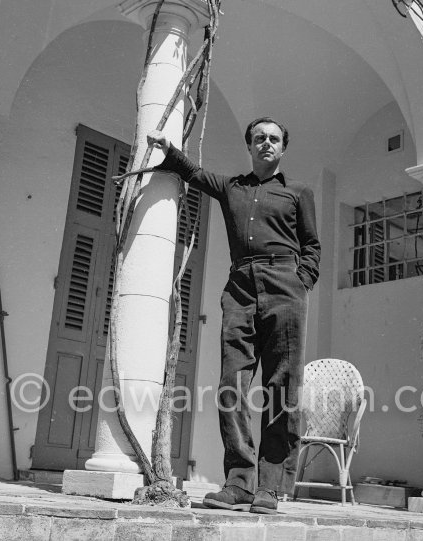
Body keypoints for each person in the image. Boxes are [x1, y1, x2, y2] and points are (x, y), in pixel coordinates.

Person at [147, 117, 320, 514]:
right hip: (240, 286)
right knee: (233, 382)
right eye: (259, 138)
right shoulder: (232, 188)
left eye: (275, 138)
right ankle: (240, 482)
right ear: (250, 145)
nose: (266, 143)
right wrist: (168, 148)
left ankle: (271, 487)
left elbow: (312, 245)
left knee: (282, 384)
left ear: (283, 148)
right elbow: (194, 173)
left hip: (284, 285)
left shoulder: (298, 192)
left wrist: (301, 280)